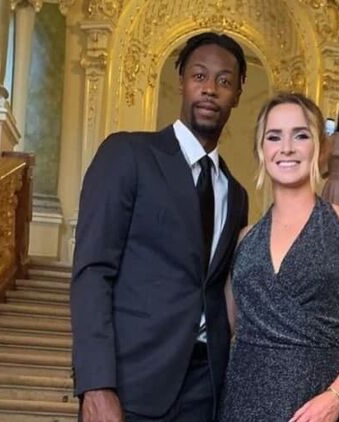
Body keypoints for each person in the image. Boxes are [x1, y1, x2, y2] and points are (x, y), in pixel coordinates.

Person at [70, 32, 249, 422]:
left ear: (237, 94)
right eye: (199, 76)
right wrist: (96, 384)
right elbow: (93, 272)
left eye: (224, 81)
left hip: (207, 388)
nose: (210, 89)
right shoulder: (128, 154)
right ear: (181, 80)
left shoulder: (236, 194)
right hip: (131, 382)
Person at [220, 93, 339, 422]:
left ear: (320, 147)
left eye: (300, 135)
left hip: (315, 405)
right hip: (241, 400)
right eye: (274, 137)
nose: (286, 148)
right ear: (261, 150)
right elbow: (225, 327)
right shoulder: (244, 239)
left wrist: (336, 395)